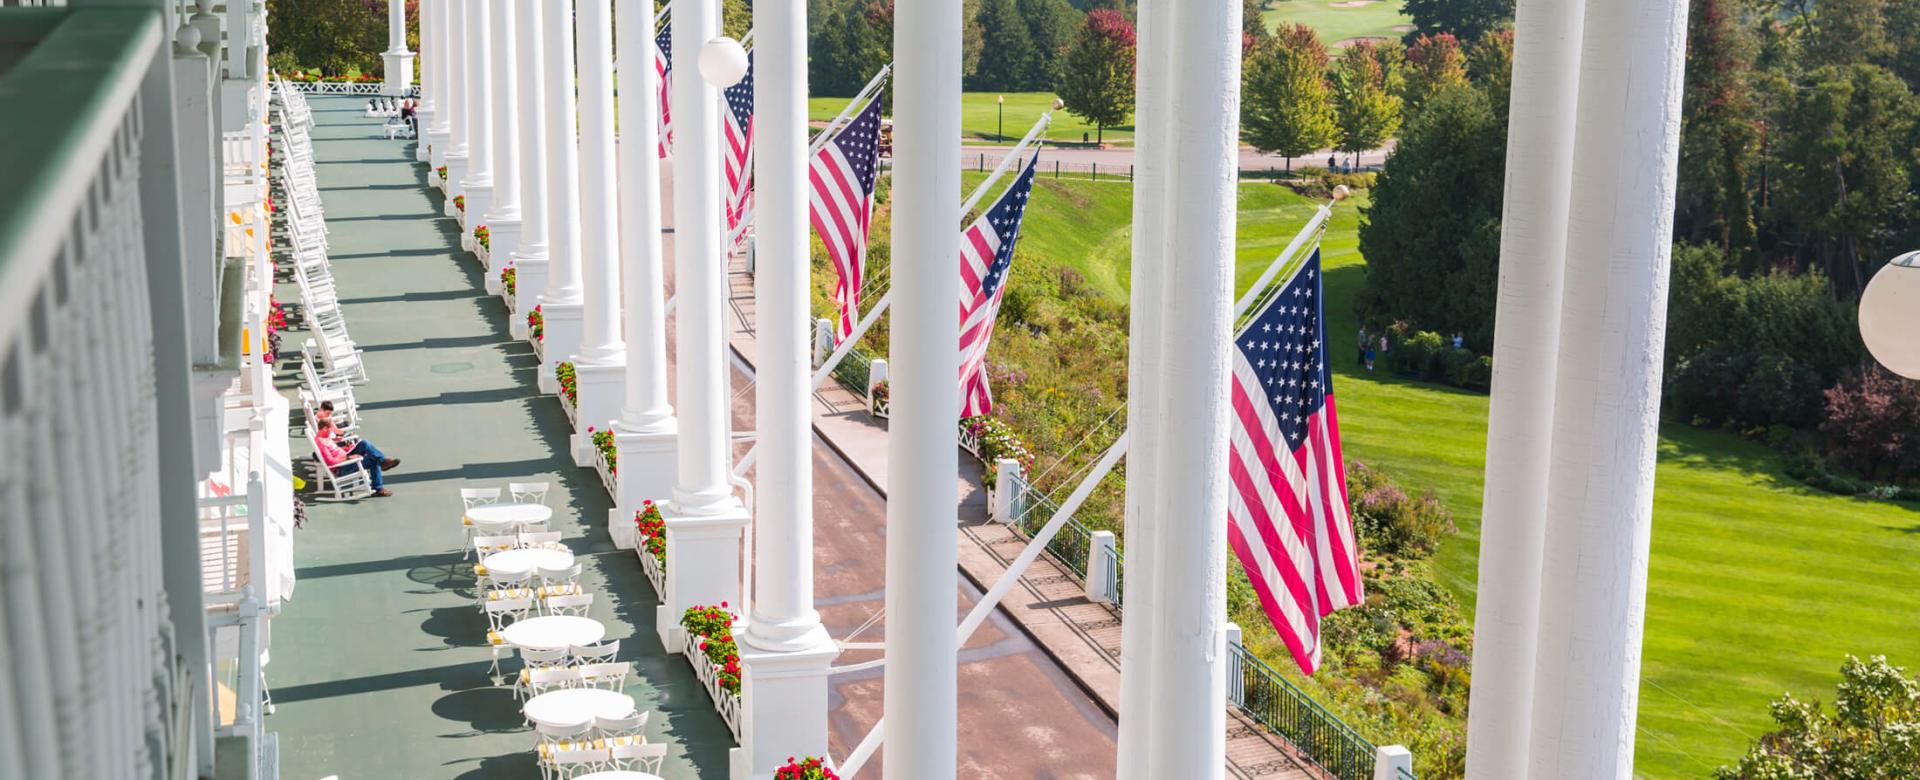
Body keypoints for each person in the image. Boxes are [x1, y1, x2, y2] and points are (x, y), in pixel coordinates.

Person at [316, 418, 394, 497]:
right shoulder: (321, 443)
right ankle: (379, 487)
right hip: (342, 468)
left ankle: (382, 461)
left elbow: (335, 451)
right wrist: (349, 458)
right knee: (373, 460)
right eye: (331, 430)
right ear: (325, 428)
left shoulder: (325, 437)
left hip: (345, 459)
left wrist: (347, 448)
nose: (332, 432)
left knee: (364, 443)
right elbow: (330, 461)